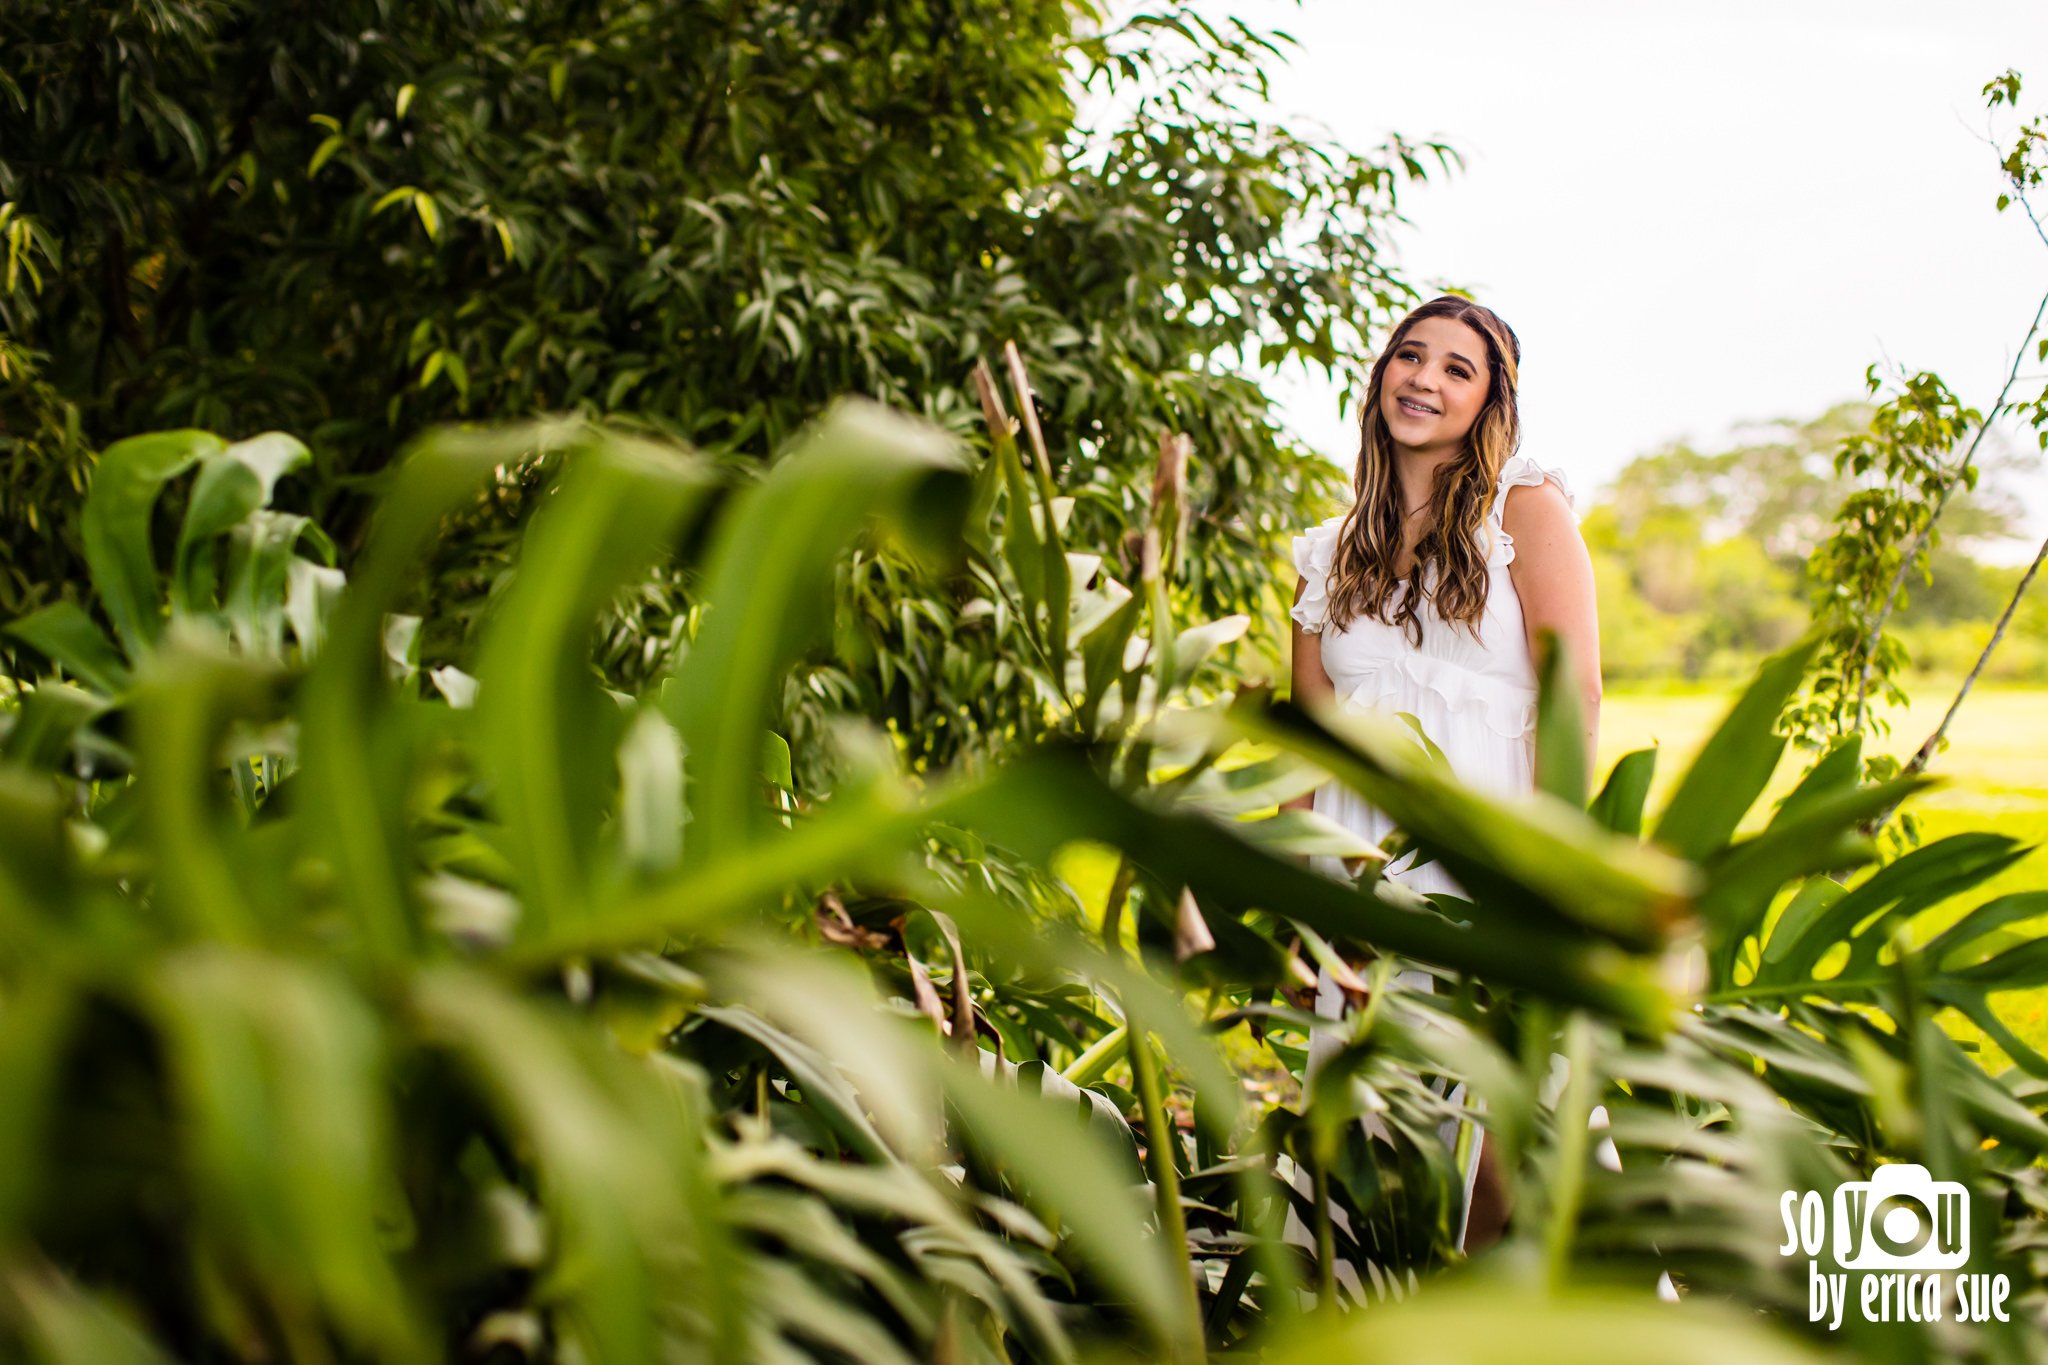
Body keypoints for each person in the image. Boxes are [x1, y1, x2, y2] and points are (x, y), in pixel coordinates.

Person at [1280, 294, 1601, 1262]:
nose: (1422, 379)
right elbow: (1309, 748)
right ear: (1379, 375)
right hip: (1360, 887)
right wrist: (1295, 914)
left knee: (1505, 1128)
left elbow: (1573, 695)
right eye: (1408, 357)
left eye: (1456, 368)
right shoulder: (1325, 553)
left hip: (1484, 865)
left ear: (1487, 400)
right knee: (1369, 1147)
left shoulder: (1524, 509)